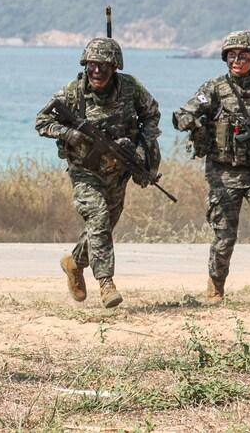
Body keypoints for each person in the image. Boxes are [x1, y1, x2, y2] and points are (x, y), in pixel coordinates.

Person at [173, 30, 250, 303]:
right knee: (224, 234)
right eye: (232, 55)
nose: (237, 61)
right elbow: (183, 114)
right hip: (223, 173)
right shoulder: (215, 88)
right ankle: (216, 286)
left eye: (243, 56)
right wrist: (192, 122)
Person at [35, 36, 161, 308]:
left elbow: (152, 114)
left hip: (118, 171)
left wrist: (143, 150)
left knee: (101, 228)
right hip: (84, 171)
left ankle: (74, 262)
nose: (96, 71)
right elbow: (42, 121)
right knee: (98, 217)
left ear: (115, 66)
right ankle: (106, 283)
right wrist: (70, 134)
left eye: (103, 66)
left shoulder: (130, 88)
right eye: (92, 65)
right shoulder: (73, 92)